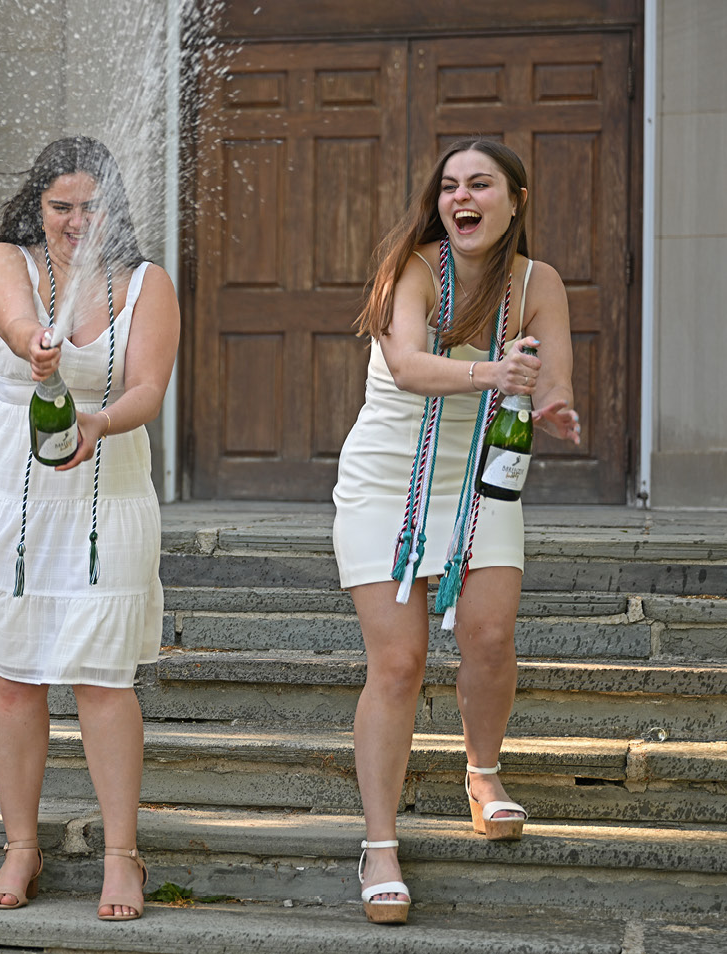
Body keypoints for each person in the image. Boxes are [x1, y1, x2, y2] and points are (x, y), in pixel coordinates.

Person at [0, 137, 178, 921]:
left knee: (102, 677)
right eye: (61, 206)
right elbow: (18, 322)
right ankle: (20, 847)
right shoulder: (7, 260)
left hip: (110, 484)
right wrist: (37, 344)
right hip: (13, 491)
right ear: (39, 205)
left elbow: (149, 388)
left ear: (112, 210)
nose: (74, 221)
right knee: (15, 677)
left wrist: (98, 421)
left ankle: (122, 857)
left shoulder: (145, 283)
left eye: (90, 207)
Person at [333, 139, 581, 924]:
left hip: (478, 480)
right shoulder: (413, 265)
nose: (461, 197)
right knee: (400, 660)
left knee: (490, 636)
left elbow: (555, 375)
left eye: (480, 184)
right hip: (386, 479)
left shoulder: (537, 284)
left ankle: (482, 772)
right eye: (449, 186)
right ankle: (379, 844)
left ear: (517, 199)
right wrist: (489, 374)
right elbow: (406, 364)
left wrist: (554, 405)